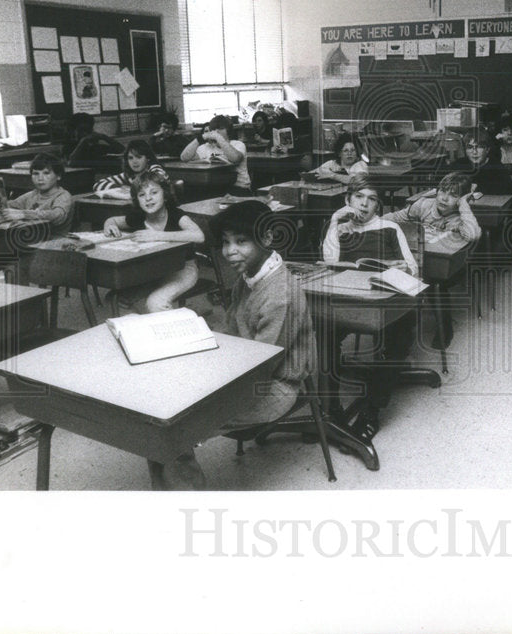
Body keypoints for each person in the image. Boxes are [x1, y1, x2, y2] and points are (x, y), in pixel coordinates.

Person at [161, 200, 320, 490]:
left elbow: (260, 366)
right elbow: (231, 331)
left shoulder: (279, 294)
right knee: (163, 412)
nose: (229, 251)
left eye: (241, 241)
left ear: (268, 239)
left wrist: (203, 386)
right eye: (225, 242)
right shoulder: (248, 278)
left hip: (275, 386)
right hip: (244, 373)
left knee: (170, 429)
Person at [322, 173, 418, 440]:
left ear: (378, 205)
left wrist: (402, 267)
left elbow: (412, 267)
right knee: (321, 333)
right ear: (347, 200)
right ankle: (331, 410)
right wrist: (333, 224)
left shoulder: (389, 228)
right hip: (349, 301)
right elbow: (329, 261)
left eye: (371, 199)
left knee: (398, 338)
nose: (364, 204)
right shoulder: (338, 228)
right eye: (358, 197)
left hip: (387, 302)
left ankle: (371, 410)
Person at [382, 171, 482, 348]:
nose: (444, 198)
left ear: (461, 200)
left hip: (447, 266)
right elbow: (398, 217)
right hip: (418, 260)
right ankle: (400, 326)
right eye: (443, 192)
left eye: (453, 195)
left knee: (435, 284)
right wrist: (374, 223)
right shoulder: (424, 205)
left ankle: (445, 327)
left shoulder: (461, 217)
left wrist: (464, 205)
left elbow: (473, 235)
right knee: (398, 276)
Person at [102, 169, 205, 313]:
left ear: (165, 194)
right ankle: (143, 331)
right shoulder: (138, 216)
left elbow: (199, 236)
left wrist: (157, 235)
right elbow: (111, 220)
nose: (148, 198)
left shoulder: (176, 214)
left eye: (154, 193)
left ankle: (171, 333)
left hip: (183, 268)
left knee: (155, 302)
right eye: (142, 195)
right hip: (154, 270)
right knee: (115, 299)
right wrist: (109, 225)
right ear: (137, 200)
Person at [0, 152, 74, 235]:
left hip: (55, 243)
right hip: (30, 240)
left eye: (46, 173)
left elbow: (58, 215)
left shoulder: (63, 196)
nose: (40, 178)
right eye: (35, 174)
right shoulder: (32, 195)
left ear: (58, 176)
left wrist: (23, 214)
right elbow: (6, 206)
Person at [180, 114, 252, 194]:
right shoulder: (206, 147)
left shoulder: (238, 144)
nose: (216, 131)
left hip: (240, 188)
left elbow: (235, 158)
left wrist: (218, 138)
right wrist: (200, 138)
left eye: (221, 129)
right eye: (213, 129)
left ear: (228, 131)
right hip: (216, 188)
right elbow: (184, 157)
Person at [92, 139, 167, 200]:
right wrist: (121, 187)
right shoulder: (129, 175)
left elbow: (154, 183)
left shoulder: (155, 169)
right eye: (130, 158)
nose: (134, 162)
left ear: (148, 158)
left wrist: (133, 189)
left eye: (139, 157)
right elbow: (98, 185)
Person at [449, 128, 512, 195]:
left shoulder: (497, 168)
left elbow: (507, 191)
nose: (474, 152)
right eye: (469, 147)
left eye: (479, 147)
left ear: (487, 149)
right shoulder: (459, 164)